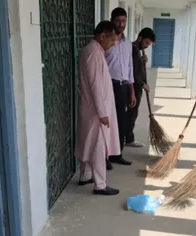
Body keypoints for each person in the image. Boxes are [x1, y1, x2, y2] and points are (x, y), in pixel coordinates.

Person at [74, 21, 120, 196]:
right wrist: (102, 113)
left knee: (88, 143)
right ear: (102, 36)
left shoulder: (94, 51)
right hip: (95, 110)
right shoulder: (93, 53)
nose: (113, 44)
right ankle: (100, 184)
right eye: (111, 40)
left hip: (92, 108)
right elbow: (96, 86)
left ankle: (85, 175)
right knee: (98, 147)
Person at [105, 7, 136, 169]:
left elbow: (129, 68)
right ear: (112, 20)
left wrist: (132, 92)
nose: (121, 24)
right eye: (118, 21)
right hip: (109, 85)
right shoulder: (107, 41)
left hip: (123, 87)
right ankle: (105, 157)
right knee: (107, 122)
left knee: (121, 122)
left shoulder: (127, 43)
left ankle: (117, 154)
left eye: (123, 21)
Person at [125, 27, 156, 148]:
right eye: (146, 43)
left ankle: (127, 137)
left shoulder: (137, 49)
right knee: (131, 114)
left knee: (133, 113)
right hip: (132, 88)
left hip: (136, 87)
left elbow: (137, 67)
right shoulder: (133, 49)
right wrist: (143, 84)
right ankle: (128, 139)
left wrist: (143, 61)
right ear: (140, 38)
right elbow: (131, 72)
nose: (147, 46)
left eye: (150, 44)